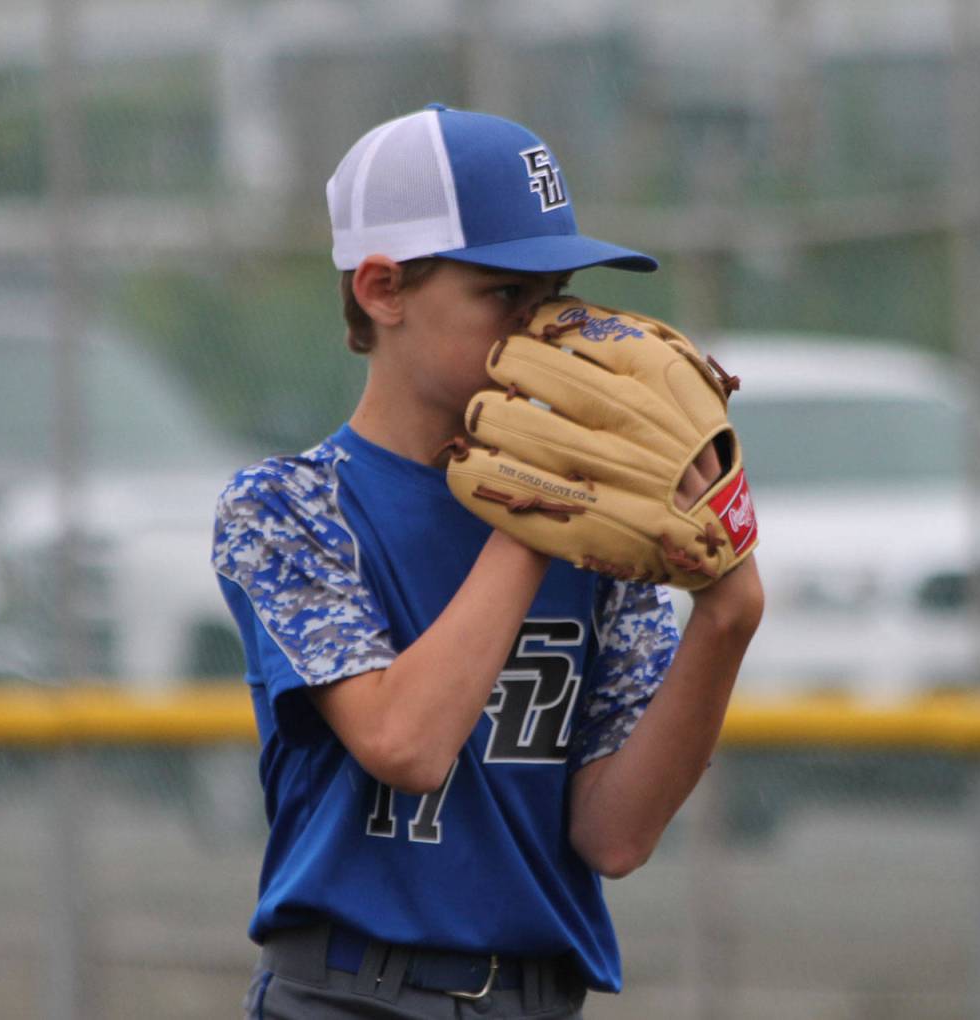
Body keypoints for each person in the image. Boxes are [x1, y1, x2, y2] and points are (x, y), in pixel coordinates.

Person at [212, 103, 763, 1020]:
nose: (544, 329)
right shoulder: (289, 506)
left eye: (557, 294)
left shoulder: (604, 534)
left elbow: (615, 836)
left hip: (539, 1000)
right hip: (351, 996)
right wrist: (534, 505)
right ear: (383, 290)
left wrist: (729, 613)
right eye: (505, 295)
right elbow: (406, 744)